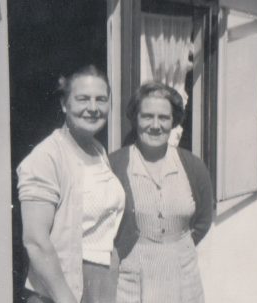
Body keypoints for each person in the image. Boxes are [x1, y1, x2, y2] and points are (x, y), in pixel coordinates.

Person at [17, 65, 125, 303]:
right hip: (60, 288)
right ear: (64, 105)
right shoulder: (46, 158)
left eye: (101, 99)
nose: (93, 108)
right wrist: (64, 298)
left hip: (101, 281)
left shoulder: (97, 149)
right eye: (83, 99)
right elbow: (35, 241)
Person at [109, 82, 214, 303]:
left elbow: (204, 219)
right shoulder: (115, 165)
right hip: (132, 278)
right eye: (147, 116)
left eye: (163, 118)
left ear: (173, 121)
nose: (155, 125)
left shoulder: (192, 166)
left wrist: (177, 247)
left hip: (183, 276)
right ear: (135, 118)